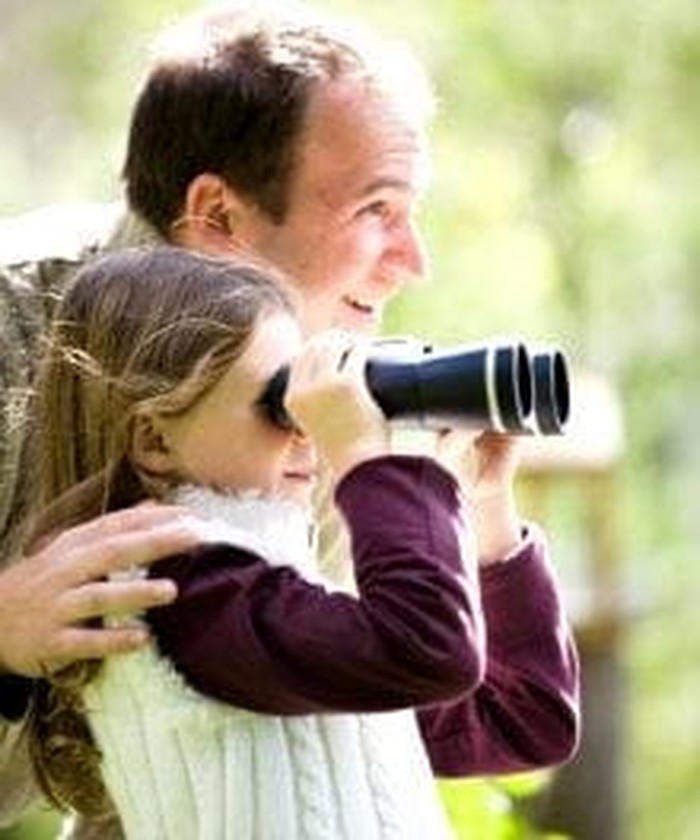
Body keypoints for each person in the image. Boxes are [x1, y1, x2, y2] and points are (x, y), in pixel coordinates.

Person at [0, 3, 580, 835]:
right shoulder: (13, 326)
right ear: (220, 218)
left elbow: (457, 713)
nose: (417, 260)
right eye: (376, 209)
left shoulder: (303, 412)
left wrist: (483, 522)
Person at [15, 245, 577, 839]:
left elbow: (524, 720)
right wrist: (366, 457)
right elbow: (427, 650)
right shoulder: (178, 595)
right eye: (282, 404)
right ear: (154, 440)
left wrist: (486, 505)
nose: (311, 431)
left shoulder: (270, 607)